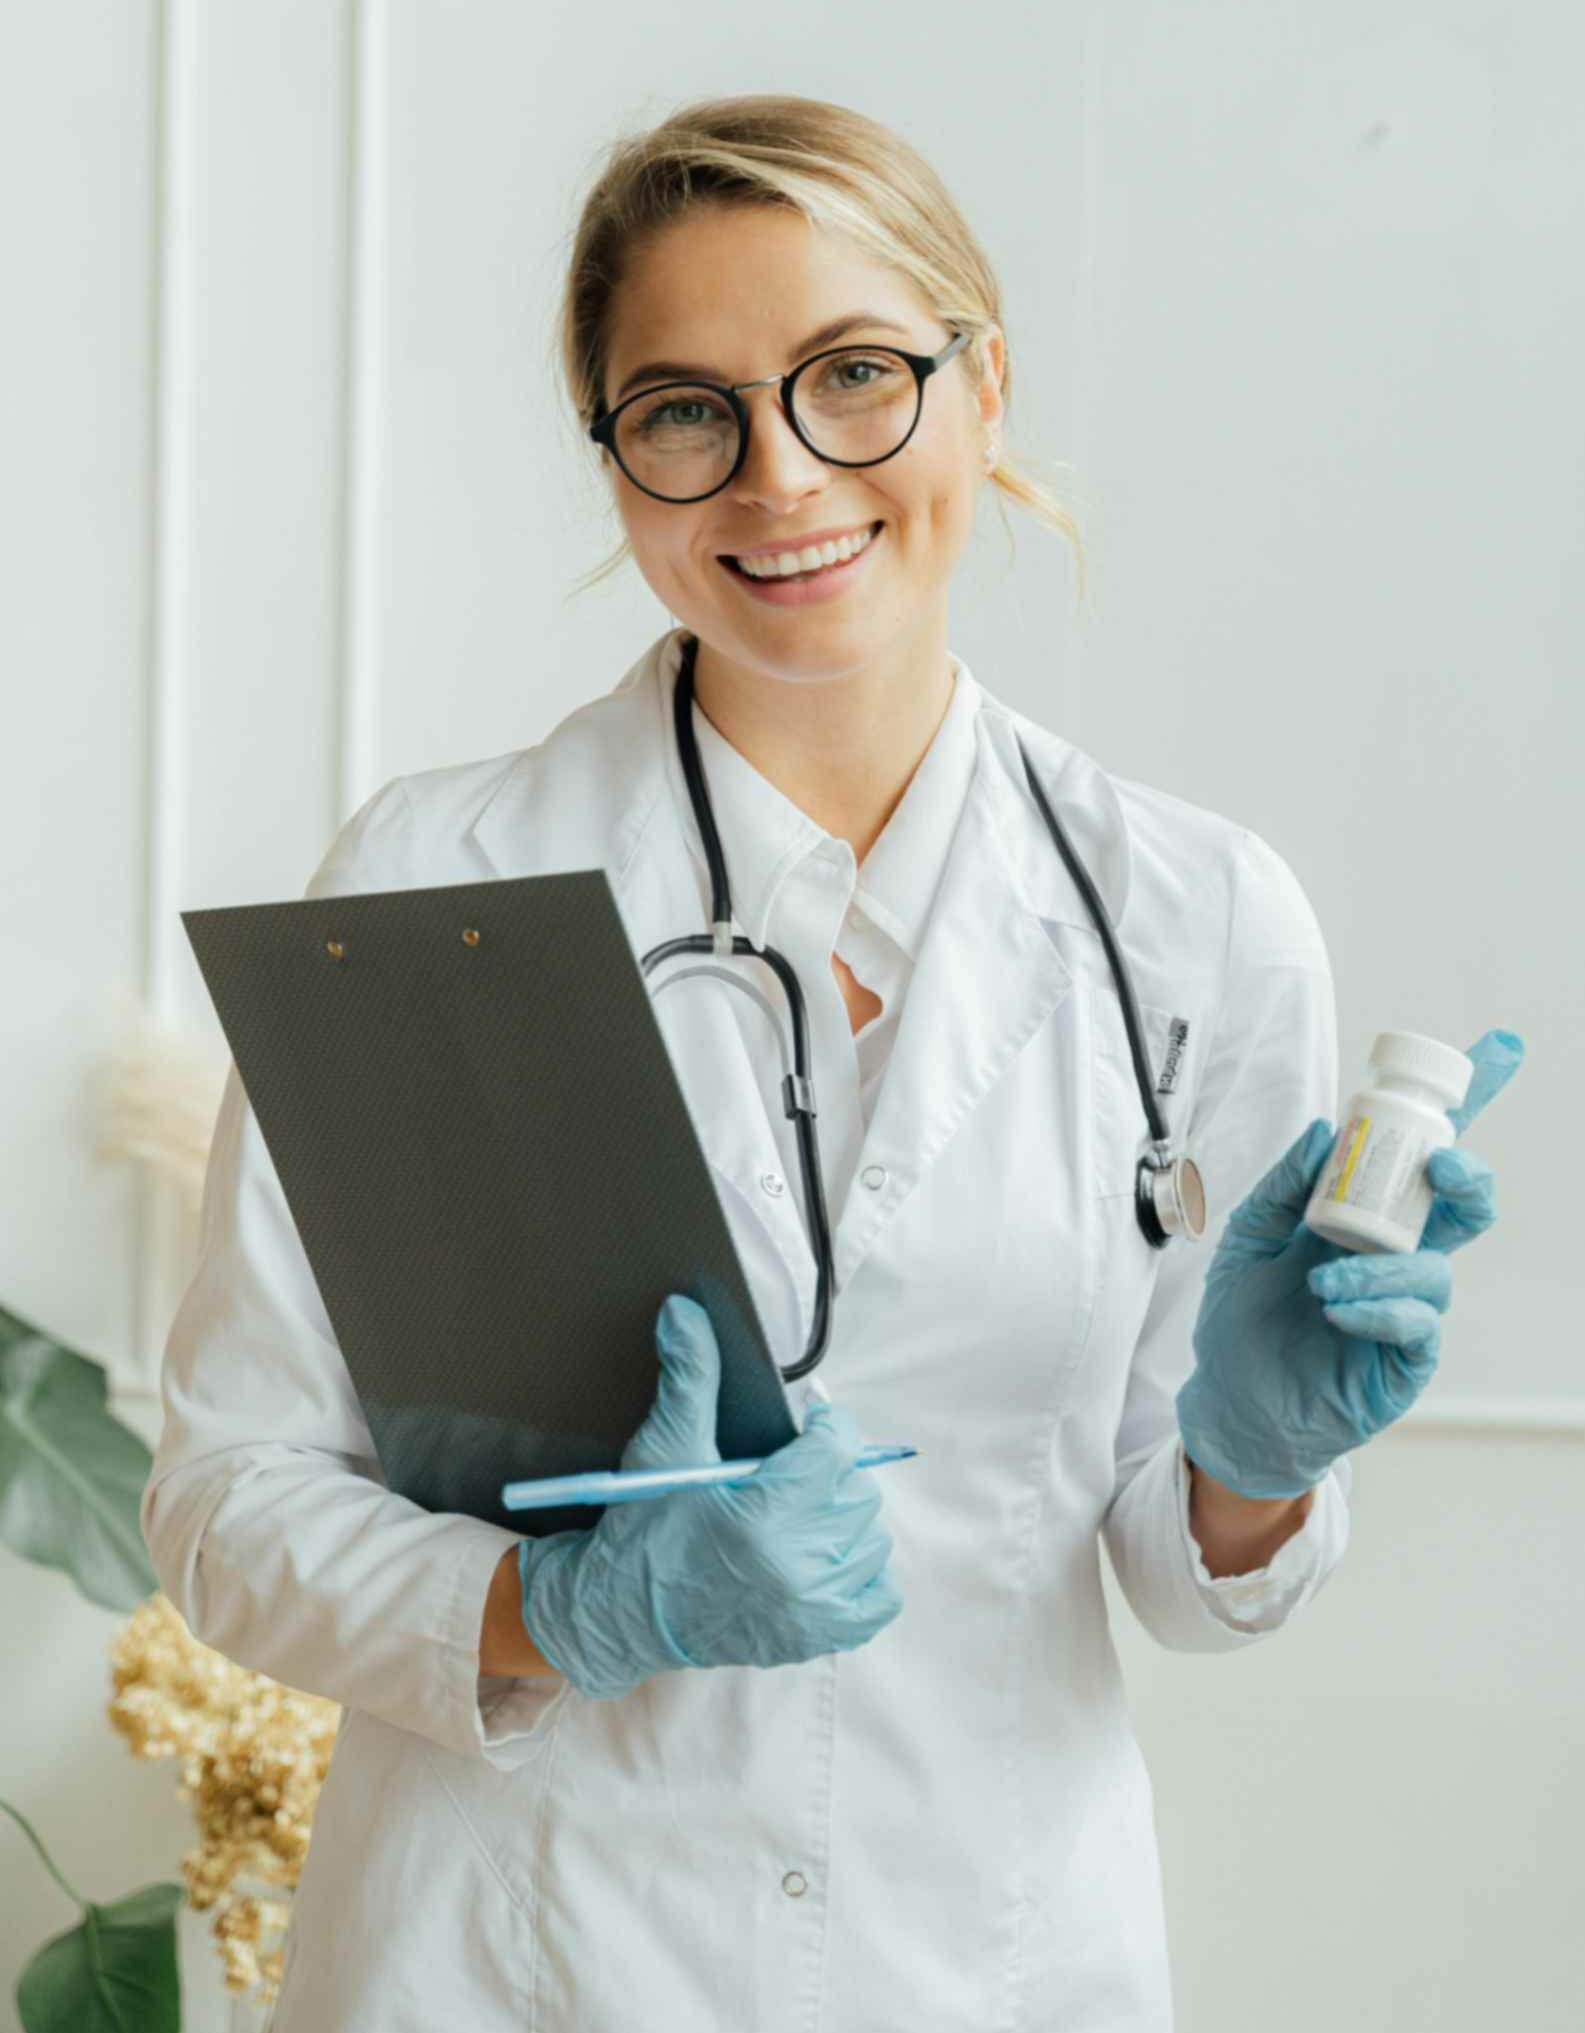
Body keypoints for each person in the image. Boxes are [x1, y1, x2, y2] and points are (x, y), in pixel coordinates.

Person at [140, 93, 1517, 2032]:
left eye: (853, 375)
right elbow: (224, 1505)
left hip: (985, 1960)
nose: (780, 475)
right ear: (614, 460)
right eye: (685, 408)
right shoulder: (435, 882)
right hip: (512, 1967)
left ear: (984, 388)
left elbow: (1185, 1566)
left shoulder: (1198, 919)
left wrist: (1250, 1462)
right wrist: (576, 1609)